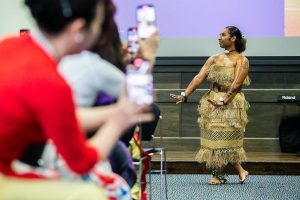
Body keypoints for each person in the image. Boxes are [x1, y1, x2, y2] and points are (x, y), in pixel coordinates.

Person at [0, 0, 154, 199]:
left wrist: (116, 112)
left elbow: (64, 118)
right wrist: (120, 119)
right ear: (79, 30)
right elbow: (81, 163)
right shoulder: (51, 82)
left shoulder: (10, 46)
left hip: (8, 169)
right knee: (91, 193)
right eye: (100, 24)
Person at [170, 26, 250, 185]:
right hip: (212, 100)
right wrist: (185, 95)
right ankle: (231, 172)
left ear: (233, 38)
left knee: (227, 139)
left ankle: (222, 174)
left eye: (223, 35)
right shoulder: (214, 58)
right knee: (214, 139)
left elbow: (236, 84)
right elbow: (199, 77)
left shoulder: (242, 60)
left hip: (231, 103)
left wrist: (224, 100)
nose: (219, 37)